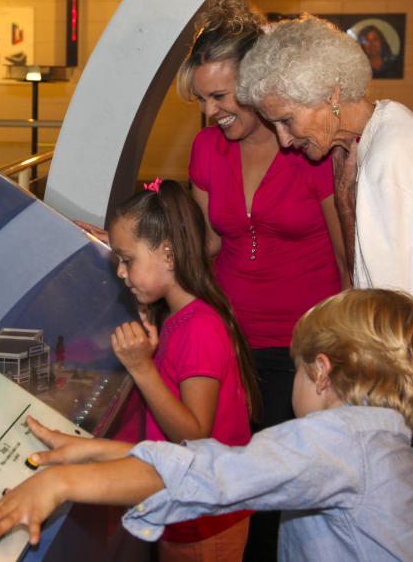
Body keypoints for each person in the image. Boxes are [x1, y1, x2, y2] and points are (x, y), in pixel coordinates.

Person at [236, 14, 413, 561]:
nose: (285, 140)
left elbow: (397, 317)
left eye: (288, 120)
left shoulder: (394, 158)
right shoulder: (378, 131)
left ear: (332, 92)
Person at [0, 289, 413, 562]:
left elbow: (213, 475)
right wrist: (95, 450)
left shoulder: (339, 442)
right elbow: (226, 462)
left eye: (299, 370)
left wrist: (60, 483)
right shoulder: (384, 446)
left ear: (322, 372)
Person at [178, 0, 348, 560]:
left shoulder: (309, 148)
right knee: (236, 481)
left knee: (286, 495)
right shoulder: (207, 149)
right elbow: (203, 245)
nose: (210, 112)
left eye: (221, 97)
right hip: (234, 342)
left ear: (255, 84)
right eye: (202, 99)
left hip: (304, 347)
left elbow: (350, 259)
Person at [104, 178, 260, 561]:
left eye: (128, 260)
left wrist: (143, 369)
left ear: (168, 254)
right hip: (187, 510)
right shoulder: (181, 317)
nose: (122, 274)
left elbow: (194, 434)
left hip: (206, 522)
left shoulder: (199, 327)